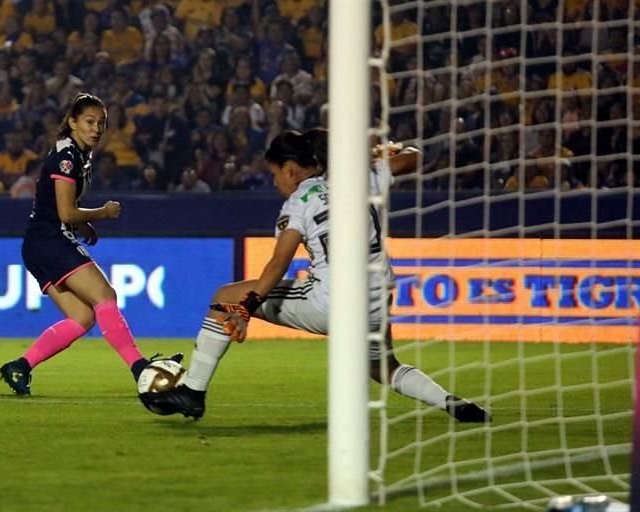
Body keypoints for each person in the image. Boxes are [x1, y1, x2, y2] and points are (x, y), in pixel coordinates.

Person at [141, 129, 491, 423]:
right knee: (384, 366)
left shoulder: (299, 201)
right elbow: (414, 156)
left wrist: (246, 308)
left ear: (292, 170)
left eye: (275, 174)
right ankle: (450, 403)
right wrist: (376, 154)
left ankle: (193, 392)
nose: (277, 182)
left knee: (225, 296)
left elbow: (278, 263)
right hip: (377, 299)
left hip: (332, 302)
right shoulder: (360, 179)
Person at [0, 93, 180, 396]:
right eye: (89, 121)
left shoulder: (77, 154)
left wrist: (84, 224)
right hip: (50, 239)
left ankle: (20, 366)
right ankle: (140, 369)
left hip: (38, 243)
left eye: (101, 123)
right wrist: (103, 213)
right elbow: (66, 212)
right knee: (105, 295)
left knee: (82, 318)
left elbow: (59, 206)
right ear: (72, 122)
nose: (96, 129)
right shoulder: (68, 158)